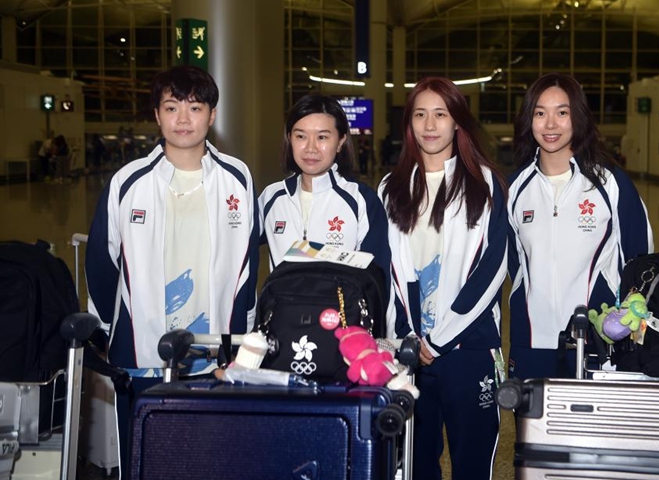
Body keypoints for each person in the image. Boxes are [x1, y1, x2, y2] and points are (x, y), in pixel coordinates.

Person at [85, 65, 259, 478]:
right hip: (141, 354)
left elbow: (247, 269)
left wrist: (239, 345)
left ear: (212, 115)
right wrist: (107, 335)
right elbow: (101, 261)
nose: (183, 119)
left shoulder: (237, 179)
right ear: (157, 114)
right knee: (144, 459)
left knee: (209, 459)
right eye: (172, 107)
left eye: (195, 107)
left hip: (212, 355)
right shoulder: (129, 182)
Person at [379, 77, 508, 480]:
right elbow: (388, 272)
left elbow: (494, 265)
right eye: (420, 114)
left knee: (472, 462)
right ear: (409, 124)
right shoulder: (391, 188)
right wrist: (407, 336)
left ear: (458, 123)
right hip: (411, 353)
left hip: (468, 349)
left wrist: (444, 334)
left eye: (441, 114)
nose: (430, 124)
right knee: (415, 464)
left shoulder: (483, 183)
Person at [507, 72, 653, 380]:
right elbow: (511, 263)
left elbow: (640, 261)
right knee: (533, 429)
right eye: (539, 113)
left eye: (562, 112)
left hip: (598, 338)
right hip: (532, 340)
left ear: (578, 117)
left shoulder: (611, 184)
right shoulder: (514, 189)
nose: (550, 124)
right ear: (528, 119)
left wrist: (622, 317)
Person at [258, 94, 391, 287]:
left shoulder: (361, 201)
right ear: (289, 139)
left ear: (340, 142)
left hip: (342, 315)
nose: (310, 148)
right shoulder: (272, 198)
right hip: (284, 314)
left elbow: (379, 278)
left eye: (322, 137)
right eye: (301, 136)